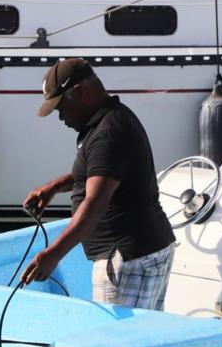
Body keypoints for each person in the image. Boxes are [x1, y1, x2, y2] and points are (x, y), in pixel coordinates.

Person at [20, 58, 176, 311]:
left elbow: (96, 202)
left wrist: (54, 254)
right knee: (142, 339)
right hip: (144, 250)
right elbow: (103, 174)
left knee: (120, 345)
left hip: (128, 259)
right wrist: (54, 187)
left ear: (79, 92)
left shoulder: (108, 133)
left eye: (60, 107)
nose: (60, 117)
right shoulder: (110, 120)